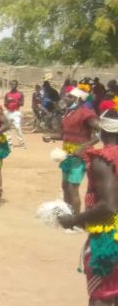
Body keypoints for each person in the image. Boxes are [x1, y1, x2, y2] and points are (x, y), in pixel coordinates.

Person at [58, 103, 118, 306]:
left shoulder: (102, 159)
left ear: (102, 131)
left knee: (100, 301)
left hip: (108, 236)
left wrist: (75, 219)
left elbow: (108, 205)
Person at [44, 85, 99, 215]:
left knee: (72, 188)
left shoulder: (86, 114)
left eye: (70, 96)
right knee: (65, 186)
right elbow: (65, 134)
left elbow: (101, 133)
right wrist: (51, 137)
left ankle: (76, 220)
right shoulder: (68, 113)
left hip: (80, 157)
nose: (65, 98)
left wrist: (83, 147)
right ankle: (68, 215)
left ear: (77, 99)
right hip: (67, 155)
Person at [3, 80, 26, 148]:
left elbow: (22, 104)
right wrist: (8, 101)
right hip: (8, 112)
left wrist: (15, 100)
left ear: (17, 85)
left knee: (17, 127)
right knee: (7, 128)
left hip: (16, 112)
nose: (13, 86)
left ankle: (21, 142)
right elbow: (5, 104)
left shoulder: (20, 94)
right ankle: (9, 143)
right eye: (12, 84)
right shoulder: (7, 94)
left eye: (14, 84)